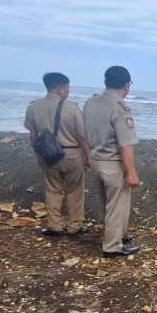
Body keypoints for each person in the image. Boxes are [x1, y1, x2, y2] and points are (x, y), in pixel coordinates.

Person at [24, 72, 92, 237]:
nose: (68, 91)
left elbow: (33, 136)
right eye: (68, 88)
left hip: (49, 154)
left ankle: (54, 226)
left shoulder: (33, 107)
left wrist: (39, 155)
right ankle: (74, 227)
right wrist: (87, 156)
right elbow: (82, 136)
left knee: (52, 189)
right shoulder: (72, 108)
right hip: (71, 153)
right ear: (60, 88)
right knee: (74, 191)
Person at [82, 66, 140, 257]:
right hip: (112, 164)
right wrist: (132, 173)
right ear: (126, 85)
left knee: (108, 203)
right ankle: (113, 246)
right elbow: (126, 145)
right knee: (116, 205)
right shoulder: (119, 108)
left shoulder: (91, 102)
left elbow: (84, 133)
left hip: (95, 160)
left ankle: (120, 234)